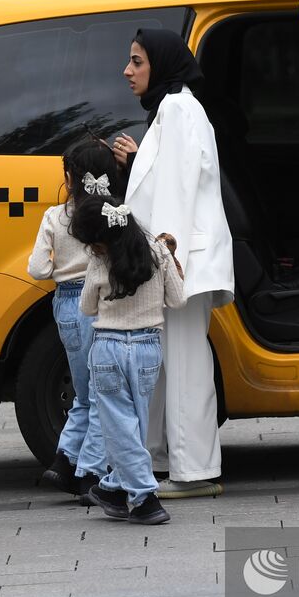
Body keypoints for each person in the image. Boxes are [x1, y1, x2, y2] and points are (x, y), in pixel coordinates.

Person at [110, 29, 234, 499]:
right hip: (177, 257)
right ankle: (168, 460)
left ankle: (195, 471)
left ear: (159, 65)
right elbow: (168, 182)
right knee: (171, 363)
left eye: (137, 61)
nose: (128, 70)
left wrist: (167, 262)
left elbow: (180, 190)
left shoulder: (179, 108)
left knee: (183, 364)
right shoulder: (172, 107)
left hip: (182, 259)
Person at [73, 194, 185, 525]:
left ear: (100, 240)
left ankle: (145, 497)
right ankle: (114, 490)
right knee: (133, 426)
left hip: (108, 347)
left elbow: (86, 308)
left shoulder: (99, 261)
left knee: (119, 427)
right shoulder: (158, 251)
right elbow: (177, 300)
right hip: (149, 348)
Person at [28, 138, 123, 500]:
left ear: (70, 176)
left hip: (65, 303)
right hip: (99, 303)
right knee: (101, 395)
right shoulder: (113, 212)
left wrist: (59, 269)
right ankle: (89, 474)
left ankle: (63, 461)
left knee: (83, 393)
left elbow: (37, 268)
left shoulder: (54, 216)